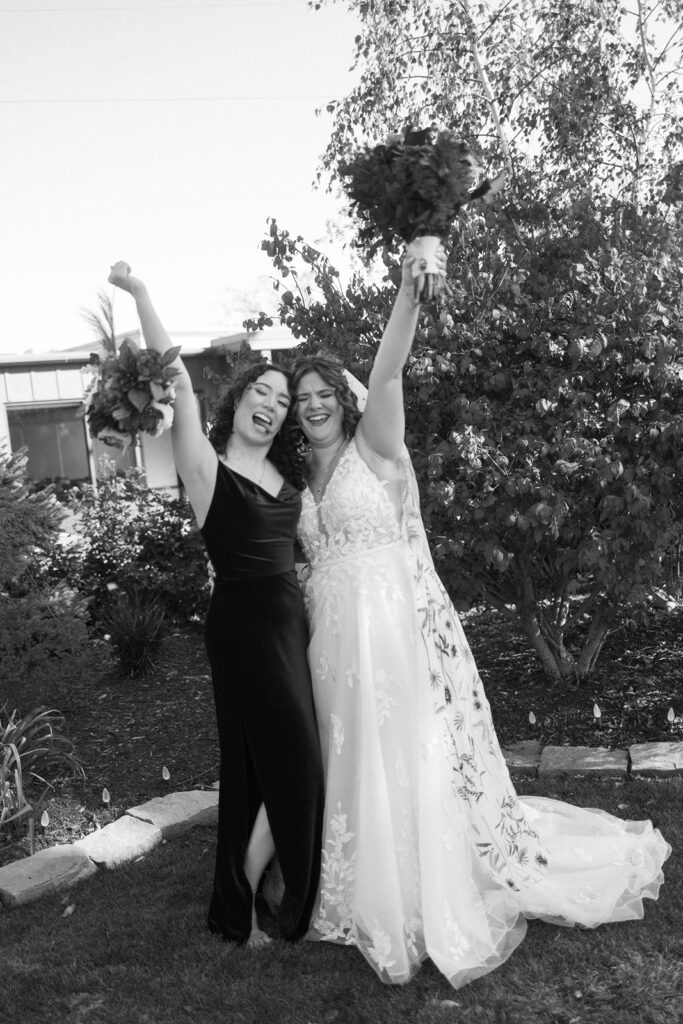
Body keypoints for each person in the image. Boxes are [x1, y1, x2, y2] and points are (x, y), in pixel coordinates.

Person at [290, 252, 671, 989]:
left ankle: (419, 883)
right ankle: (351, 879)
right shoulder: (294, 476)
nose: (310, 404)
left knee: (401, 751)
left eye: (321, 392)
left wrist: (409, 288)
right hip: (329, 642)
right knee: (347, 753)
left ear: (343, 397)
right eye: (300, 395)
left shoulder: (374, 447)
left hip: (391, 637)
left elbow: (391, 369)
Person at [108, 262, 324, 947]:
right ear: (236, 403)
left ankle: (248, 895)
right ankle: (258, 889)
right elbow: (173, 379)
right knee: (297, 763)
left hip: (293, 626)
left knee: (264, 764)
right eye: (261, 391)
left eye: (283, 400)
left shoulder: (289, 479)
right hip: (244, 631)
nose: (273, 403)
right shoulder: (204, 465)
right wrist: (142, 292)